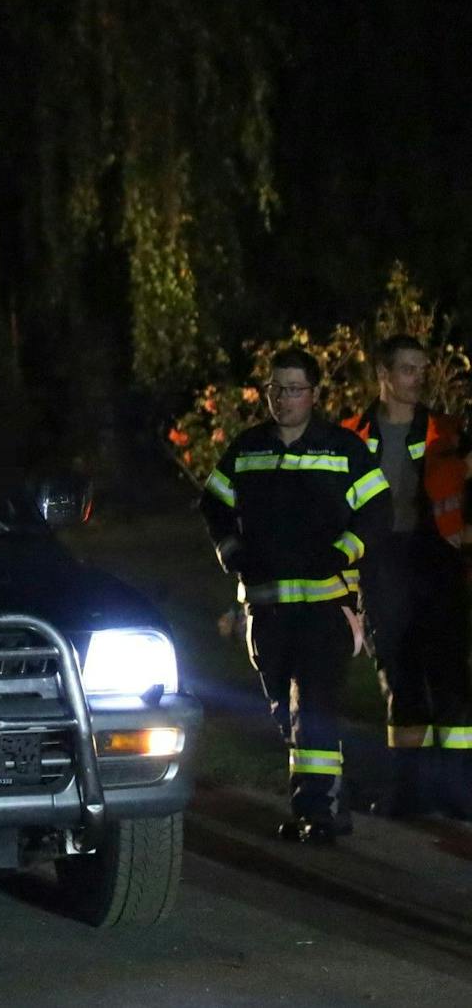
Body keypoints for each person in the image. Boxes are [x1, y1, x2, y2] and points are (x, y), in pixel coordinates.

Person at [201, 346, 391, 844]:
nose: (283, 399)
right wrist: (230, 547)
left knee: (314, 706)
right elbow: (213, 500)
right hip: (267, 606)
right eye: (275, 389)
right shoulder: (248, 449)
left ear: (314, 394)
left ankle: (318, 814)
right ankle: (328, 799)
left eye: (293, 389)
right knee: (284, 710)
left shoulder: (342, 449)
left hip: (327, 605)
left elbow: (378, 507)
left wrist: (344, 551)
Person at [341, 334, 472, 818]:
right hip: (381, 563)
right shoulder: (352, 436)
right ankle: (409, 792)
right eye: (408, 369)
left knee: (450, 675)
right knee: (399, 676)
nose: (418, 378)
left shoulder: (446, 432)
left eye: (422, 368)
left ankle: (458, 793)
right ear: (384, 374)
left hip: (435, 560)